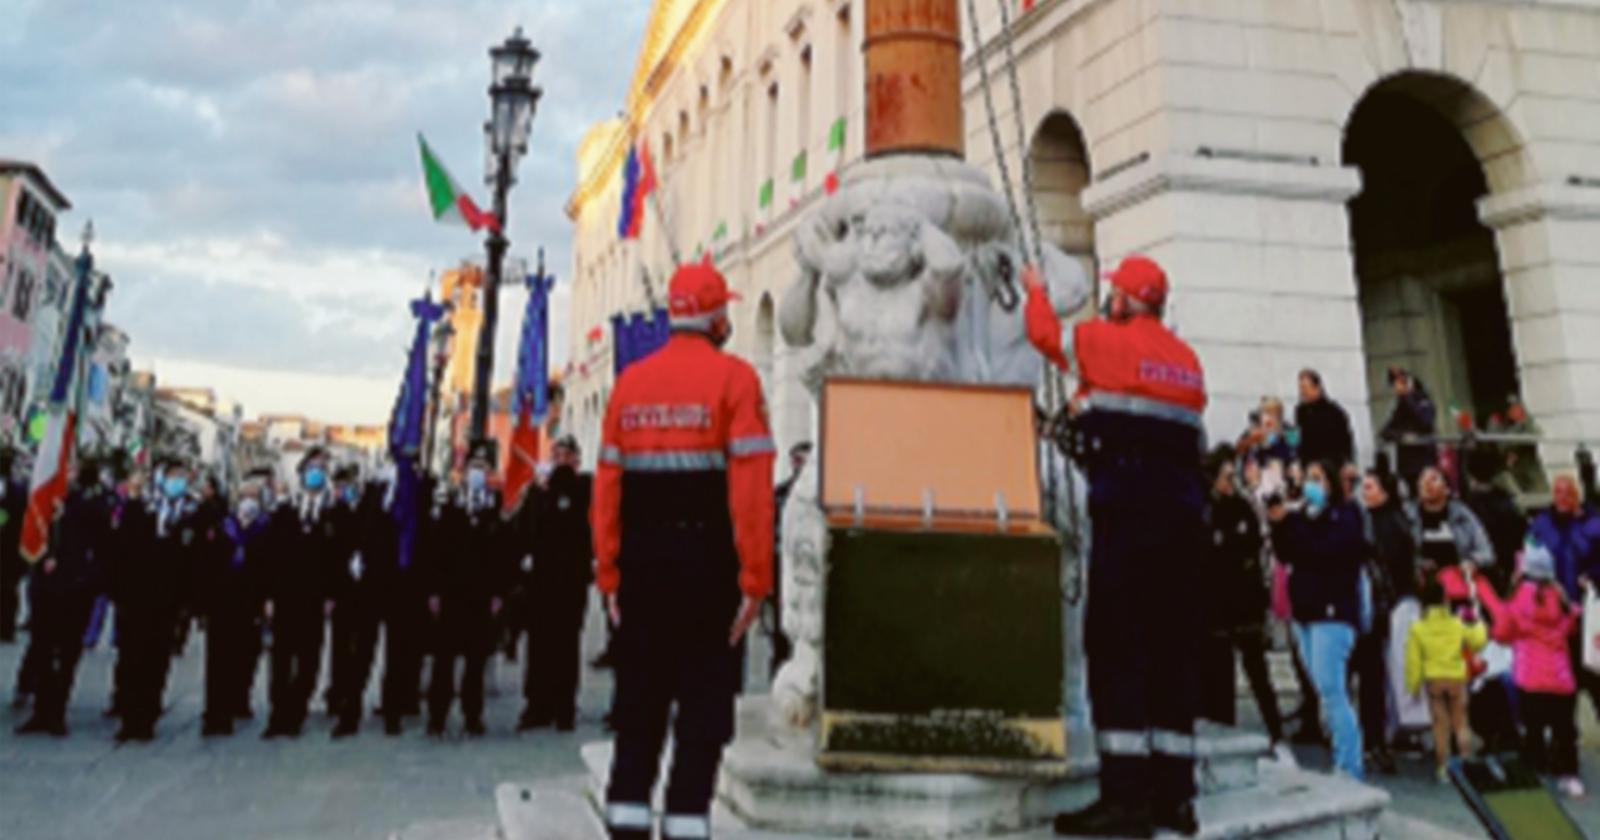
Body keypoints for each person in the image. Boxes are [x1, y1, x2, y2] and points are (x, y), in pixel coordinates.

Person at [1024, 254, 1207, 837]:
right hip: (1182, 525)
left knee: (1117, 649)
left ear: (1125, 300)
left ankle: (1126, 798)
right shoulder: (1188, 362)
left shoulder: (1104, 341)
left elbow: (1045, 336)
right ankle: (1175, 795)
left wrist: (1034, 290)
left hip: (1127, 518)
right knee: (1170, 654)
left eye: (1115, 295)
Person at [595, 259, 773, 840]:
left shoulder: (629, 384)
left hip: (643, 575)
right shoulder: (737, 381)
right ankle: (686, 826)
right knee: (702, 717)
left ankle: (625, 822)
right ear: (718, 315)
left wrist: (609, 574)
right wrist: (754, 580)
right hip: (709, 576)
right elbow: (750, 493)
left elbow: (607, 492)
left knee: (638, 714)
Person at [1269, 461, 1366, 781]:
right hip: (1305, 613)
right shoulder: (1301, 517)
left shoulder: (1346, 515)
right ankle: (1342, 756)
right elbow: (1286, 553)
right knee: (1323, 689)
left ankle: (1349, 764)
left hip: (1333, 612)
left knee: (1332, 688)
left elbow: (1325, 551)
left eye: (1317, 478)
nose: (1310, 484)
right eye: (1306, 477)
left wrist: (1296, 530)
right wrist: (1279, 523)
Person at [1474, 544, 1586, 798]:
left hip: (1530, 677)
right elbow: (1569, 626)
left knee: (1533, 729)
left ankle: (1534, 771)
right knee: (1565, 730)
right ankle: (1569, 775)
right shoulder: (1559, 595)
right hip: (1561, 678)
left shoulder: (1519, 596)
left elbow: (1503, 631)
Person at [13, 459, 113, 736]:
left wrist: (89, 579)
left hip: (75, 588)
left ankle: (57, 712)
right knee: (43, 648)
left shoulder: (91, 504)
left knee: (67, 654)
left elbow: (102, 546)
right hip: (46, 590)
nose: (66, 475)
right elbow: (32, 534)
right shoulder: (43, 500)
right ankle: (40, 712)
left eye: (70, 470)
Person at [109, 457, 199, 742]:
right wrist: (119, 592)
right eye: (172, 475)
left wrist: (188, 603)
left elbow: (194, 562)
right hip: (136, 598)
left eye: (181, 475)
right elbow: (121, 550)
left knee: (157, 661)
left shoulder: (190, 515)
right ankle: (128, 717)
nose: (177, 481)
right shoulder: (141, 508)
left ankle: (147, 717)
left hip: (168, 602)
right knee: (132, 657)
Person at [1198, 447, 1284, 747]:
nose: (1230, 482)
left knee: (1258, 673)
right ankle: (1223, 732)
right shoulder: (1204, 511)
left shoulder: (1242, 508)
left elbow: (1252, 550)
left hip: (1245, 605)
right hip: (1216, 608)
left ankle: (1276, 731)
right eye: (1225, 477)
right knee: (1219, 678)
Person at [425, 444, 508, 737]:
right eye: (473, 467)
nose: (477, 473)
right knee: (444, 659)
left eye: (483, 468)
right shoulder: (450, 507)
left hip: (480, 595)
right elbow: (435, 550)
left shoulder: (494, 509)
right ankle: (437, 715)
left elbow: (501, 555)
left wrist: (499, 593)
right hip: (451, 593)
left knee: (476, 660)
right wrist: (434, 591)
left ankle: (473, 714)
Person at [262, 447, 341, 739]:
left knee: (308, 660)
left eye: (321, 467)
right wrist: (268, 596)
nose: (316, 472)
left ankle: (297, 712)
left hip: (315, 599)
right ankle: (277, 715)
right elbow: (270, 556)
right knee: (280, 659)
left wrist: (331, 595)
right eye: (311, 467)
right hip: (284, 597)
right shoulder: (284, 512)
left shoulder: (333, 515)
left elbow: (337, 560)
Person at [519, 435, 593, 732]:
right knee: (538, 645)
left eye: (566, 455)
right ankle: (537, 705)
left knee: (566, 645)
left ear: (576, 459)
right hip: (540, 582)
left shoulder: (585, 490)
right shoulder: (538, 494)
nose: (561, 460)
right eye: (556, 454)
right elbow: (525, 530)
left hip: (571, 581)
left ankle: (564, 708)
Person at [199, 479, 270, 736]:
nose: (249, 501)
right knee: (217, 658)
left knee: (244, 655)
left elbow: (267, 569)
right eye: (245, 495)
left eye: (254, 496)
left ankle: (237, 700)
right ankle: (214, 712)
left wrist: (265, 600)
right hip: (221, 601)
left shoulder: (265, 528)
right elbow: (207, 564)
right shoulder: (223, 527)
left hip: (249, 602)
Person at [1527, 474, 1600, 720]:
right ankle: (1564, 747)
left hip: (1589, 614)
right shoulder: (1541, 524)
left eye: (1568, 493)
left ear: (1577, 495)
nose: (1562, 499)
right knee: (1560, 686)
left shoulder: (1594, 523)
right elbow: (1528, 558)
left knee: (1594, 678)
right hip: (1553, 616)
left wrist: (1592, 575)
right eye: (1557, 493)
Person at [1405, 578, 1488, 783]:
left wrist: (1413, 685)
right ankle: (1466, 763)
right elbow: (1478, 640)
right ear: (1445, 600)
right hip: (1456, 678)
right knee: (1461, 723)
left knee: (1440, 726)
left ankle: (1443, 769)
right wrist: (1479, 623)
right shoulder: (1456, 624)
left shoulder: (1417, 628)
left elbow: (1413, 660)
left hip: (1433, 680)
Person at [328, 464, 378, 738]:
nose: (342, 491)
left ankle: (354, 695)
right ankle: (345, 704)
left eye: (346, 485)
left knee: (364, 651)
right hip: (343, 594)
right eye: (338, 487)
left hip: (369, 592)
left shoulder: (373, 509)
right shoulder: (335, 513)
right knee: (342, 651)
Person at [1410, 467, 1495, 603]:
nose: (1427, 484)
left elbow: (1486, 552)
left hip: (1458, 590)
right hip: (1419, 591)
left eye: (1433, 479)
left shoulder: (1463, 516)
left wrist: (1472, 562)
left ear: (1446, 488)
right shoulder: (1408, 517)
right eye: (1423, 480)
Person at [768, 441, 811, 679]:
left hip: (808, 566)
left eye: (803, 460)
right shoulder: (780, 494)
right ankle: (780, 669)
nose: (798, 465)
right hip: (782, 565)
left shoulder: (818, 496)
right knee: (781, 623)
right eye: (795, 460)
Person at [1380, 367, 1438, 494]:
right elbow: (1385, 432)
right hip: (1408, 465)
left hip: (1424, 461)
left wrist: (1407, 397)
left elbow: (1424, 421)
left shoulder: (1424, 401)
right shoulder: (1400, 408)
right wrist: (1402, 436)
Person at [1294, 370, 1355, 469]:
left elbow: (1345, 442)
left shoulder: (1334, 412)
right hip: (1308, 464)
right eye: (1300, 388)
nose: (1302, 392)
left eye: (1305, 388)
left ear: (1317, 388)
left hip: (1330, 464)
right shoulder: (1301, 411)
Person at [0, 450, 27, 644]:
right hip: (10, 548)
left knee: (8, 589)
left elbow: (19, 521)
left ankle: (6, 626)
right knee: (9, 590)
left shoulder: (17, 491)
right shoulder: (18, 489)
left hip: (8, 548)